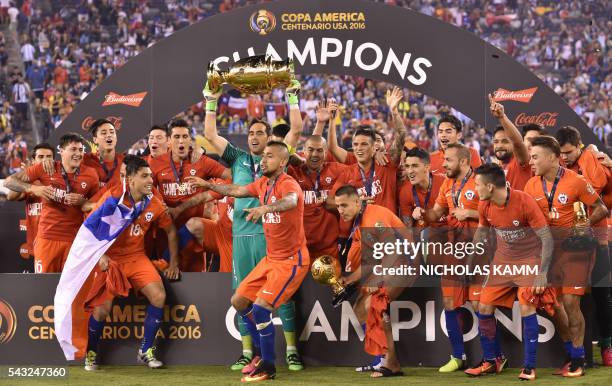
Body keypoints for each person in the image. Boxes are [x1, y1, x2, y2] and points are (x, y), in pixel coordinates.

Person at [203, 78, 305, 371]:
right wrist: (211, 100)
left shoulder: (277, 160)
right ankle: (249, 352)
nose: (254, 137)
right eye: (251, 133)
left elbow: (296, 129)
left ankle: (291, 350)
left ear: (270, 137)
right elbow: (210, 133)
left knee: (278, 297)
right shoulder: (238, 159)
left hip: (271, 237)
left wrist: (293, 98)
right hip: (241, 236)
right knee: (243, 295)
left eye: (260, 133)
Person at [191, 141, 309, 382]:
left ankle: (268, 365)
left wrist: (265, 209)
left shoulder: (288, 183)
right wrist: (208, 185)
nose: (263, 160)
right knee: (238, 301)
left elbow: (291, 202)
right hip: (271, 259)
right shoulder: (263, 183)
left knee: (261, 308)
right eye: (263, 156)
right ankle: (259, 353)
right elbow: (237, 191)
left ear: (283, 162)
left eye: (270, 157)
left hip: (291, 261)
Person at [4, 133, 99, 360]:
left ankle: (76, 351)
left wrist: (85, 203)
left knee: (75, 294)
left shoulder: (91, 175)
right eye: (73, 149)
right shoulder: (46, 169)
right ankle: (42, 347)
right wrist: (34, 189)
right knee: (44, 288)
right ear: (61, 151)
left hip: (76, 242)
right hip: (46, 239)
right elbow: (9, 182)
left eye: (80, 150)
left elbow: (97, 205)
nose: (77, 153)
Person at [83, 156, 180, 371]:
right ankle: (91, 352)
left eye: (151, 177)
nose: (150, 181)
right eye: (144, 176)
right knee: (102, 310)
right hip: (111, 259)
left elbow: (171, 230)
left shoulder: (153, 202)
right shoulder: (112, 198)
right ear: (131, 179)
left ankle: (145, 350)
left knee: (159, 295)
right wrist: (100, 255)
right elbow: (89, 227)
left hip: (137, 257)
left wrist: (174, 263)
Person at [524, 136, 608, 377]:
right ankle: (573, 354)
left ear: (552, 157)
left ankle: (579, 361)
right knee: (556, 304)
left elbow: (601, 207)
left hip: (576, 249)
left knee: (571, 301)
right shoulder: (531, 185)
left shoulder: (576, 181)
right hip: (549, 250)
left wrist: (583, 226)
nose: (531, 161)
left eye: (535, 157)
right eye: (530, 157)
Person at [465, 164, 553, 380]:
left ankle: (529, 366)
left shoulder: (524, 201)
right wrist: (469, 261)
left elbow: (547, 238)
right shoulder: (485, 205)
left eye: (477, 185)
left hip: (528, 261)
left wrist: (542, 273)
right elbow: (481, 233)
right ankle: (491, 360)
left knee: (526, 307)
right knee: (483, 306)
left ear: (490, 186)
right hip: (503, 262)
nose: (475, 189)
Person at [413, 143, 488, 373]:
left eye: (448, 160)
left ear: (464, 162)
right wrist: (423, 214)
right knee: (449, 302)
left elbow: (495, 211)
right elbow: (437, 212)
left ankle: (492, 357)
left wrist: (470, 213)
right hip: (453, 250)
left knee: (478, 304)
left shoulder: (480, 182)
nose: (443, 164)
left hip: (478, 251)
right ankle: (457, 356)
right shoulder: (447, 183)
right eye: (443, 160)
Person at [334, 185, 408, 378]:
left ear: (357, 202)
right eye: (338, 206)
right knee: (360, 308)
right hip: (389, 263)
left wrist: (381, 278)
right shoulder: (359, 221)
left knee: (374, 304)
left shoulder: (374, 217)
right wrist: (349, 279)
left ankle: (390, 364)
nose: (340, 210)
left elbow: (394, 250)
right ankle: (383, 360)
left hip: (406, 262)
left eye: (344, 205)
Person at [555, 126, 612, 366]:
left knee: (602, 293)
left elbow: (596, 188)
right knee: (575, 297)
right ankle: (583, 351)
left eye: (568, 152)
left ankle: (607, 346)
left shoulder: (593, 159)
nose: (564, 157)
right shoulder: (559, 167)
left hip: (599, 236)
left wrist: (589, 154)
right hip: (571, 242)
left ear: (578, 146)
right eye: (561, 153)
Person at [149, 118, 230, 272]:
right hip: (165, 236)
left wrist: (211, 189)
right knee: (168, 283)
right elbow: (147, 190)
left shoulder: (202, 162)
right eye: (176, 137)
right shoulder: (156, 163)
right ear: (169, 141)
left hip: (194, 239)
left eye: (185, 137)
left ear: (190, 140)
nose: (181, 141)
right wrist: (158, 203)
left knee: (195, 285)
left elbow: (232, 175)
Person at [287, 134, 347, 269]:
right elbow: (278, 155)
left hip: (329, 250)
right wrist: (293, 158)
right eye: (310, 150)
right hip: (299, 250)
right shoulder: (292, 172)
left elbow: (360, 165)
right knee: (303, 290)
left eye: (320, 150)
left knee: (327, 290)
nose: (315, 154)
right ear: (303, 151)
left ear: (326, 153)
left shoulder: (337, 170)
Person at [6, 142, 54, 261]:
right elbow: (10, 196)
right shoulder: (29, 182)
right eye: (41, 157)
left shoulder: (61, 180)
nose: (45, 160)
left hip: (57, 242)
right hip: (36, 244)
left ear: (54, 160)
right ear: (33, 161)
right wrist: (28, 176)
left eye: (49, 157)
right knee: (42, 280)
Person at [488, 95, 532, 190]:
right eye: (496, 142)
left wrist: (502, 117)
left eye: (505, 141)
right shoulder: (494, 168)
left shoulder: (521, 161)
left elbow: (518, 142)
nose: (499, 146)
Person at [82, 119, 125, 189]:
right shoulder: (85, 161)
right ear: (95, 139)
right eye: (104, 133)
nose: (109, 135)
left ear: (116, 137)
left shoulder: (126, 162)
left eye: (112, 132)